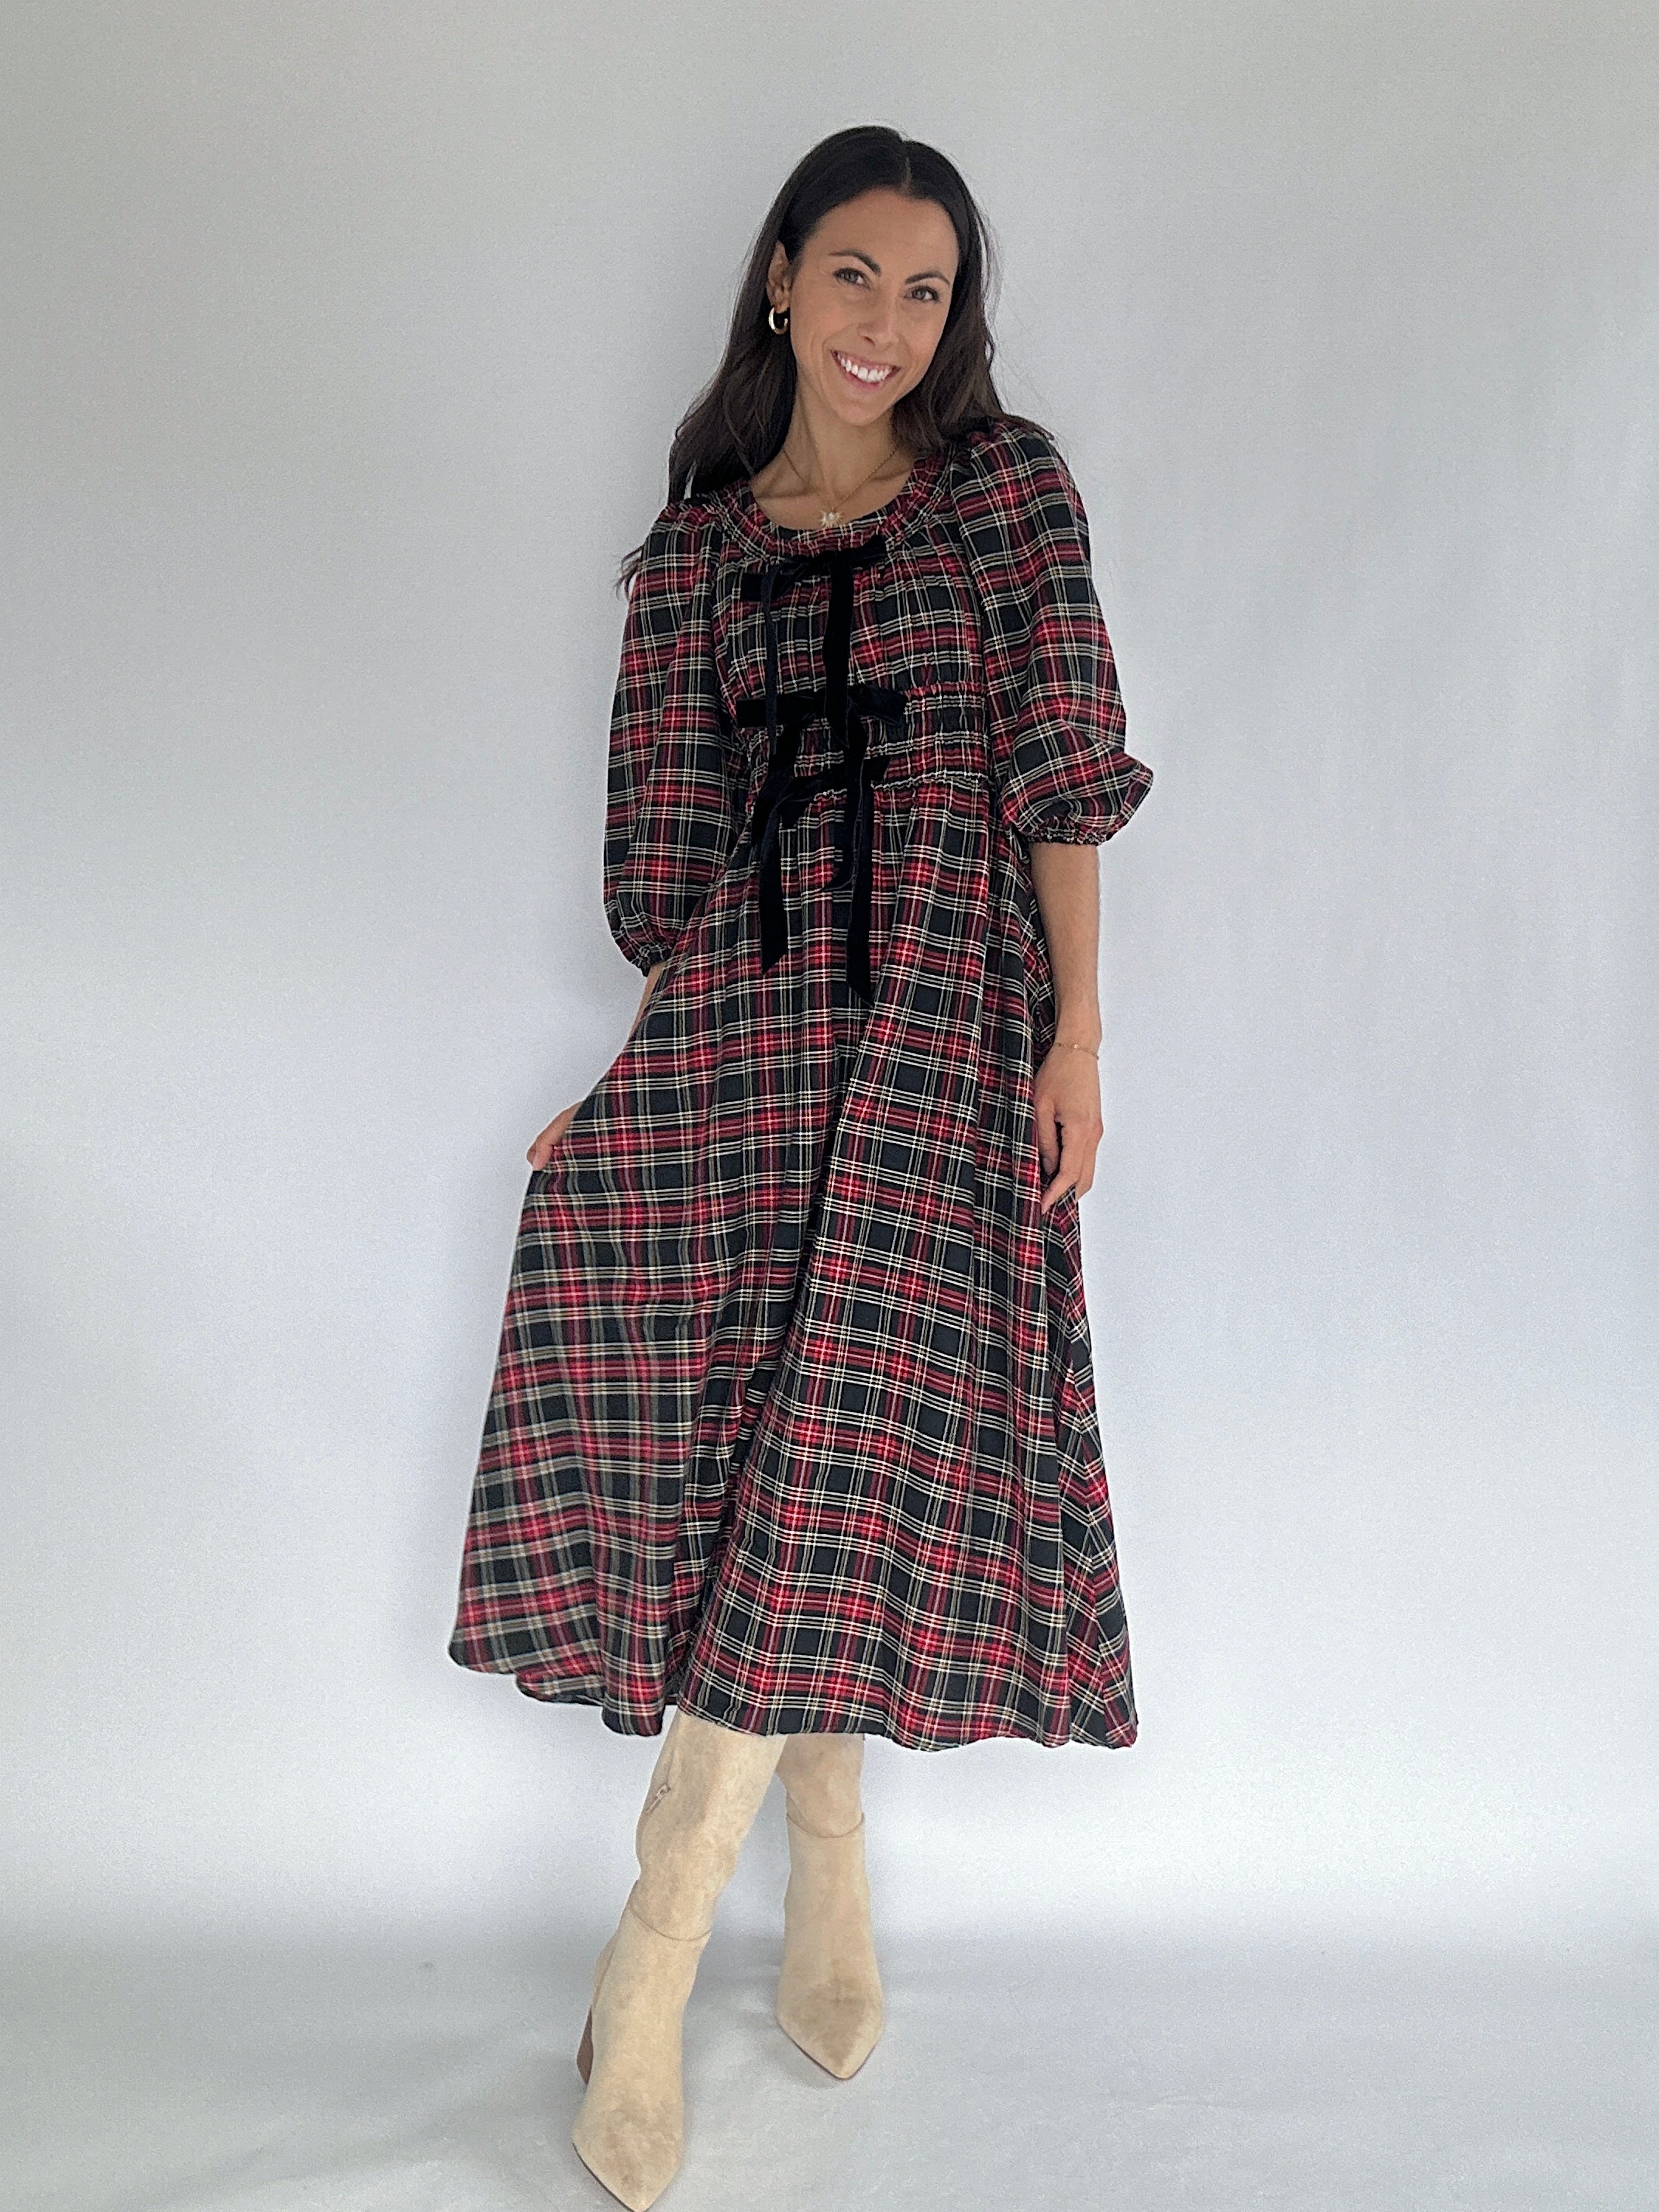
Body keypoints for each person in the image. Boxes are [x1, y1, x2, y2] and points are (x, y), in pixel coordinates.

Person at [448, 123, 1154, 2210]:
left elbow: (1060, 767)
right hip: (748, 1041)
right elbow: (666, 876)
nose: (886, 325)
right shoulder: (693, 563)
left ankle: (661, 1941)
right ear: (778, 278)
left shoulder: (1008, 497)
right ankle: (825, 1866)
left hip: (946, 1027)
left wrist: (1078, 1028)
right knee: (766, 1440)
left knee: (842, 1436)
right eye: (853, 276)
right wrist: (634, 1090)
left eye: (925, 290)